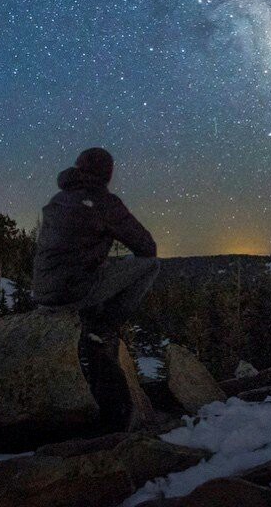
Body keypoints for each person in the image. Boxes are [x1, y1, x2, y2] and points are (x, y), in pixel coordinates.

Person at [33, 148, 159, 426]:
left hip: (44, 291)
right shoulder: (104, 202)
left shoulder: (58, 199)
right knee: (150, 266)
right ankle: (104, 327)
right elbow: (146, 247)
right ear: (107, 173)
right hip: (74, 290)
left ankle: (95, 328)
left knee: (98, 273)